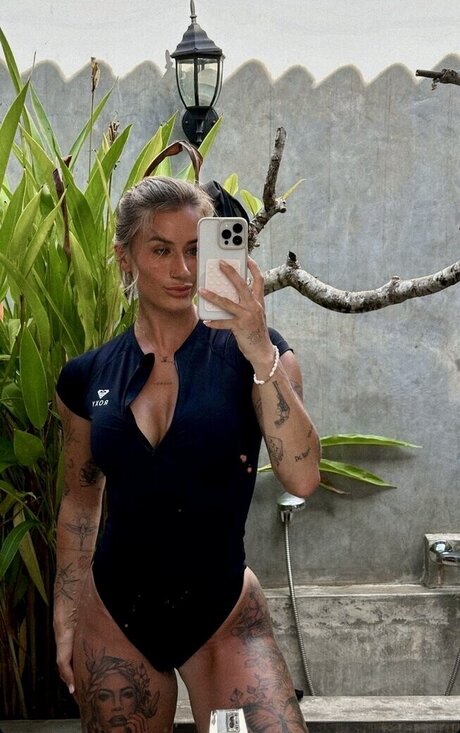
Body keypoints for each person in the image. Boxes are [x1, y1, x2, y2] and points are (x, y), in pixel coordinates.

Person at [53, 176, 321, 733]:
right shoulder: (87, 376)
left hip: (223, 618)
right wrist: (66, 611)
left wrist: (258, 350)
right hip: (116, 619)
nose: (182, 269)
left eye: (196, 250)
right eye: (161, 250)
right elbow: (81, 502)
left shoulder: (259, 357)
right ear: (125, 258)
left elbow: (302, 478)